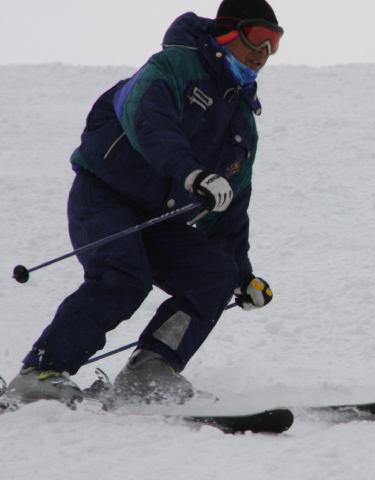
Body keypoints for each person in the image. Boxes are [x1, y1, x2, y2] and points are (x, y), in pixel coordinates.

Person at [3, 0, 282, 405]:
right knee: (123, 277)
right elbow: (148, 121)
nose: (264, 53)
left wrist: (243, 276)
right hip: (105, 195)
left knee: (214, 274)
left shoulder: (241, 122)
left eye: (275, 43)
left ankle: (149, 371)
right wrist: (191, 173)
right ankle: (39, 372)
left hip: (159, 218)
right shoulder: (174, 67)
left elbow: (231, 206)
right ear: (226, 34)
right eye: (258, 38)